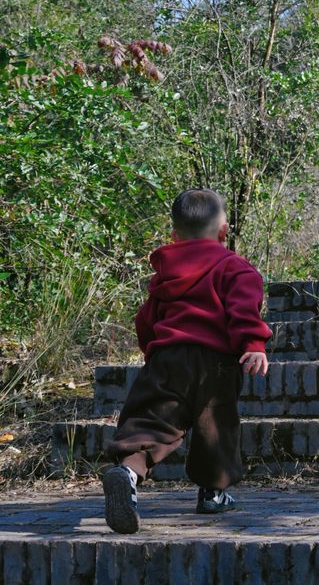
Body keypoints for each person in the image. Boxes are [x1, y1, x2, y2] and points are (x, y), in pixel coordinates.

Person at [102, 188, 271, 534]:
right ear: (224, 230)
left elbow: (146, 318)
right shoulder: (234, 267)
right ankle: (213, 492)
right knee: (216, 426)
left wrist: (153, 349)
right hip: (217, 363)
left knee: (152, 419)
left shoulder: (165, 274)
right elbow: (243, 307)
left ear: (175, 236)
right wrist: (253, 343)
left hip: (169, 357)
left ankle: (129, 472)